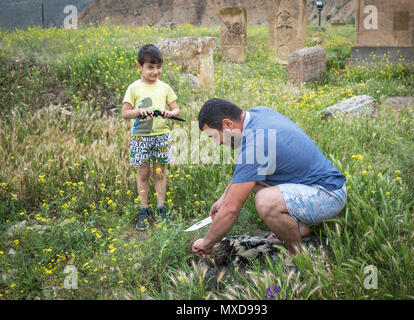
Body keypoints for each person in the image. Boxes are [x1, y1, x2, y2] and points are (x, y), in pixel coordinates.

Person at [192, 98, 346, 258]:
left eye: (215, 136)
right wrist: (223, 198)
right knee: (248, 183)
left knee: (266, 201)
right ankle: (299, 228)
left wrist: (206, 243)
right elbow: (244, 174)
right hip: (313, 184)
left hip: (328, 195)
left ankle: (297, 254)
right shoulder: (258, 113)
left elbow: (231, 210)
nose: (218, 144)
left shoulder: (255, 145)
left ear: (228, 124)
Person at [121, 44, 180, 230]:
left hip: (161, 135)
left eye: (159, 67)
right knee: (143, 173)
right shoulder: (134, 88)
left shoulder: (165, 87)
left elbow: (176, 108)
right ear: (139, 67)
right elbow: (125, 113)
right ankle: (144, 210)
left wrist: (169, 113)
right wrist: (139, 111)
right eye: (150, 67)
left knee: (159, 172)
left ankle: (161, 209)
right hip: (141, 137)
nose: (155, 71)